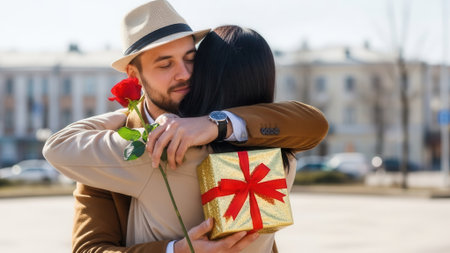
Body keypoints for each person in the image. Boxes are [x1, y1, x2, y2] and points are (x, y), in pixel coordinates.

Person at [43, 1, 328, 252]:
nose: (184, 75)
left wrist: (215, 123)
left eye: (191, 60)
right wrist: (173, 250)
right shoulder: (125, 147)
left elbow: (313, 123)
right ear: (135, 75)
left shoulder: (212, 127)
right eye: (165, 65)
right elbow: (89, 248)